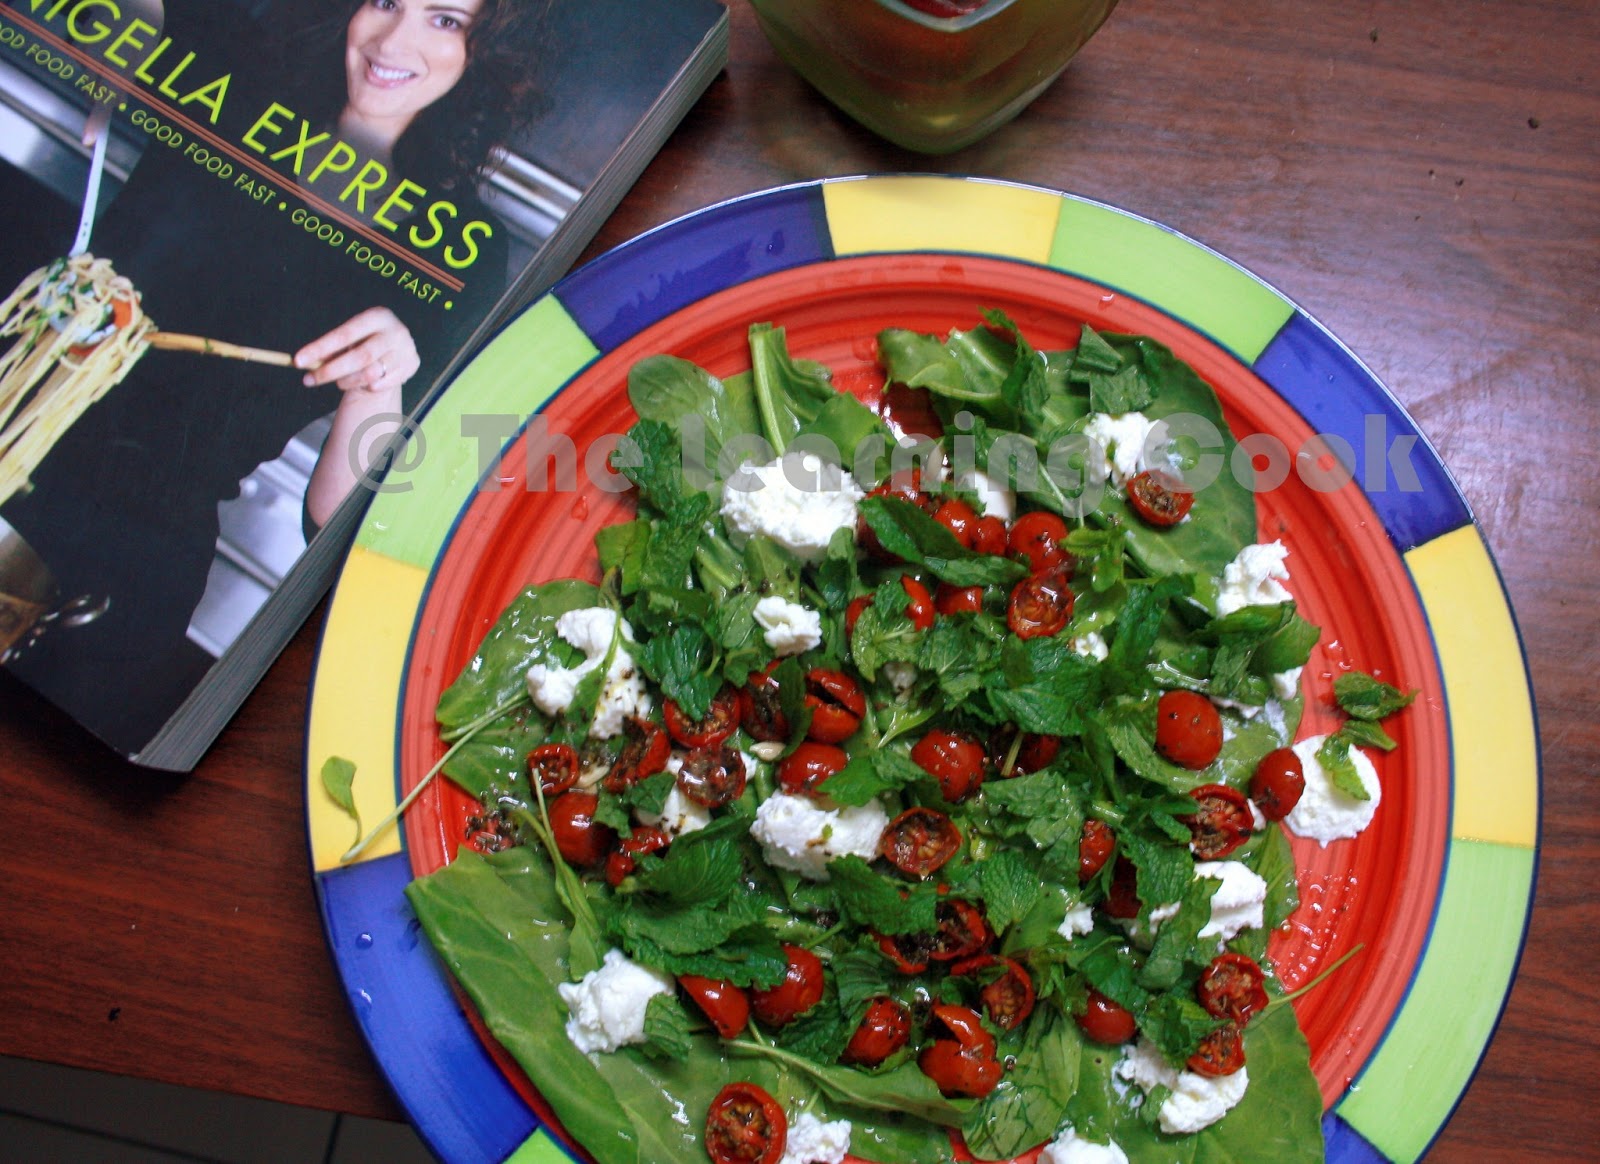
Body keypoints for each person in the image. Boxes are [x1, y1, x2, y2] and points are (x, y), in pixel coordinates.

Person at [0, 0, 542, 757]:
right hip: (17, 424)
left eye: (444, 21)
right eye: (385, 1)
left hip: (136, 556)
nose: (395, 40)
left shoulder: (460, 250)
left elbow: (331, 522)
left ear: (486, 54)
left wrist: (379, 381)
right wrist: (118, 27)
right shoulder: (235, 76)